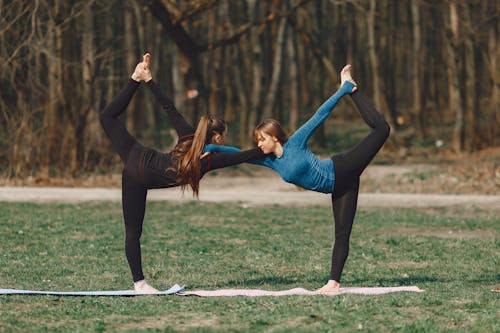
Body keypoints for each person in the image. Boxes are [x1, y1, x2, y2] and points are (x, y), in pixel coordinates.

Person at [205, 65, 390, 293]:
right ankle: (333, 283)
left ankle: (351, 88)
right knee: (342, 233)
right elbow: (238, 154)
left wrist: (341, 91)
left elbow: (320, 114)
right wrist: (211, 147)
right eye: (258, 141)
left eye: (262, 139)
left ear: (274, 137)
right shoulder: (269, 161)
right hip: (341, 187)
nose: (259, 144)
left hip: (342, 168)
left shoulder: (295, 142)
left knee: (382, 129)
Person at [99, 53, 265, 294]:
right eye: (223, 137)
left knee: (107, 117)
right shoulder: (208, 161)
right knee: (134, 232)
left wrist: (147, 80)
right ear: (216, 138)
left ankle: (133, 78)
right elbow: (242, 156)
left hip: (137, 158)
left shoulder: (188, 134)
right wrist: (268, 151)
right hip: (139, 175)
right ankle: (140, 285)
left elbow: (169, 107)